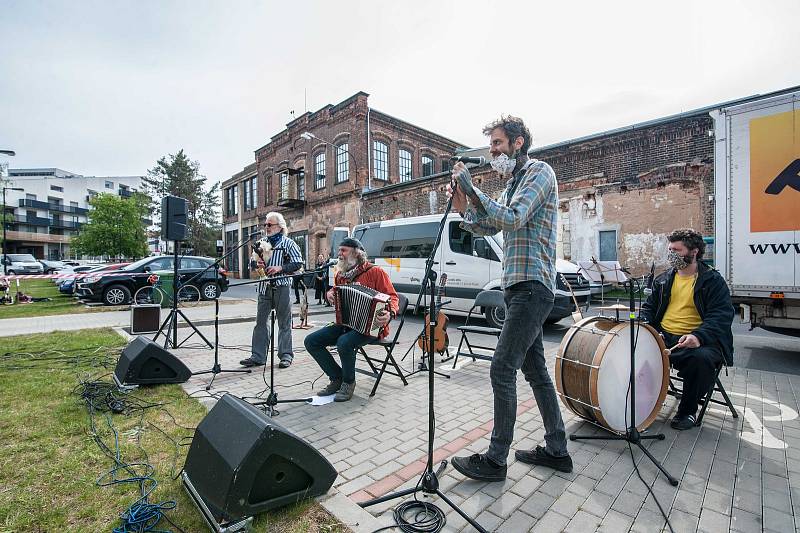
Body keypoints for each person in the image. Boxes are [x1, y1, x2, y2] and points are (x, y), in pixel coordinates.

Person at [447, 115, 572, 482]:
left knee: (502, 368)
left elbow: (514, 218)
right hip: (519, 287)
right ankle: (556, 450)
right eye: (491, 146)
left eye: (497, 144)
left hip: (533, 286)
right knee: (535, 372)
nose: (492, 153)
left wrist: (474, 191)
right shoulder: (514, 183)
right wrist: (463, 206)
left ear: (518, 143)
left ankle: (495, 460)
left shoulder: (539, 172)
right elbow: (490, 223)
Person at [640, 228, 734, 430]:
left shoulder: (713, 281)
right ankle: (644, 401)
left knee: (700, 360)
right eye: (670, 249)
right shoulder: (664, 279)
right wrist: (645, 323)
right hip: (665, 337)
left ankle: (687, 411)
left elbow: (722, 315)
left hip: (698, 340)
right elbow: (649, 307)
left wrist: (698, 336)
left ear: (694, 252)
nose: (671, 254)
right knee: (635, 348)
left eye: (676, 250)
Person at [303, 238, 399, 402]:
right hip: (346, 323)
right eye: (339, 250)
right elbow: (334, 292)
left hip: (373, 327)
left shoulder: (376, 272)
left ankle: (348, 383)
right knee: (311, 341)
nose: (339, 254)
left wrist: (390, 312)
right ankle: (337, 377)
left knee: (344, 342)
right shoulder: (341, 274)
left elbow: (393, 297)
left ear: (356, 253)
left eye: (344, 250)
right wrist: (329, 294)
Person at [240, 212, 304, 369]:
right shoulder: (261, 243)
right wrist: (257, 265)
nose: (266, 227)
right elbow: (251, 264)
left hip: (281, 286)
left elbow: (298, 263)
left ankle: (286, 356)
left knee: (284, 323)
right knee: (260, 323)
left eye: (270, 224)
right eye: (265, 225)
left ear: (280, 227)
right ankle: (258, 356)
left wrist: (280, 268)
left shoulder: (288, 243)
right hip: (263, 287)